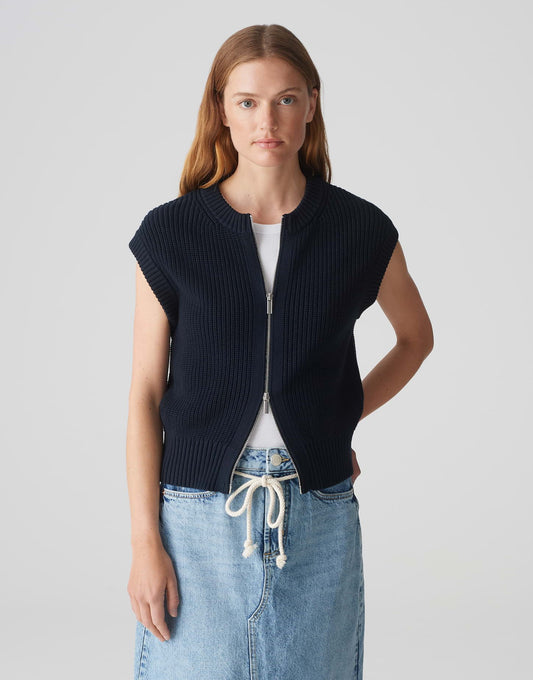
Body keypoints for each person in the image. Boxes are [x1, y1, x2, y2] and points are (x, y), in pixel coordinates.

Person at [126, 23, 433, 680]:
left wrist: (330, 421)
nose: (266, 121)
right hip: (196, 516)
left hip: (317, 511)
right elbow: (146, 395)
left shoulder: (359, 230)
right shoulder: (171, 234)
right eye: (247, 101)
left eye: (286, 99)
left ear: (311, 104)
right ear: (221, 110)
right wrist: (146, 542)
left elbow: (415, 339)